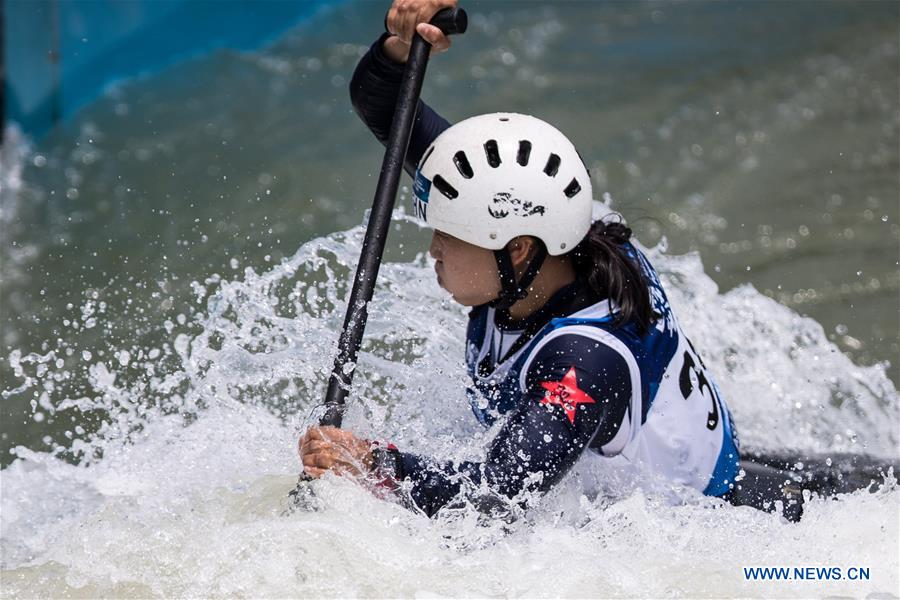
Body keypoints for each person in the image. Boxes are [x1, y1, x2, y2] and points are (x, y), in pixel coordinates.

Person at [297, 0, 888, 521]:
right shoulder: (550, 225)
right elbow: (386, 107)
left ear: (519, 248)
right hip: (714, 456)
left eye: (448, 236)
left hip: (727, 518)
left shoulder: (581, 360)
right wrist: (400, 50)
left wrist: (376, 464)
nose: (433, 250)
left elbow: (495, 502)